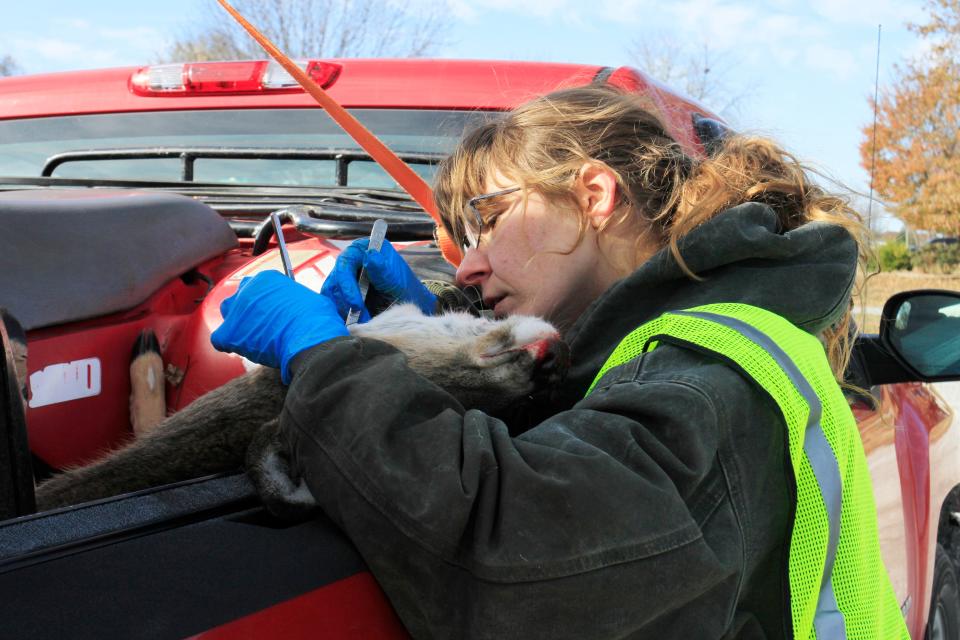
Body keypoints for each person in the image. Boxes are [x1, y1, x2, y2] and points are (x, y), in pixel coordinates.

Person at [211, 85, 907, 638]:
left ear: (595, 196)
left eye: (490, 220)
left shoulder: (706, 376)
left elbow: (515, 559)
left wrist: (326, 360)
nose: (471, 263)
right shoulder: (679, 341)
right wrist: (438, 346)